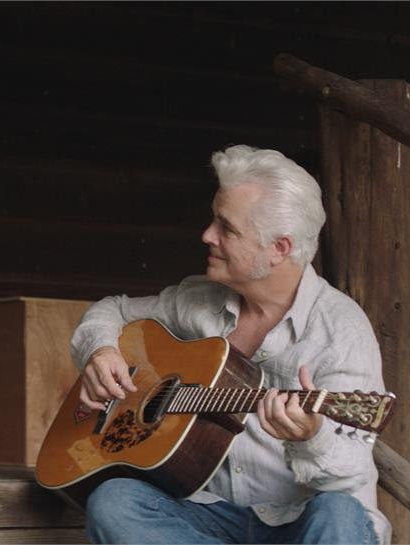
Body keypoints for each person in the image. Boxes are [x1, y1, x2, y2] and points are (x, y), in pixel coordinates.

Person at [70, 145, 388, 545]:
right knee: (115, 501)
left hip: (301, 523)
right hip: (209, 514)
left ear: (280, 248)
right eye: (213, 221)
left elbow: (351, 468)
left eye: (227, 228)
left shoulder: (341, 330)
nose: (207, 235)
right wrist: (100, 351)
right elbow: (111, 310)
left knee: (339, 513)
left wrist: (312, 435)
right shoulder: (196, 300)